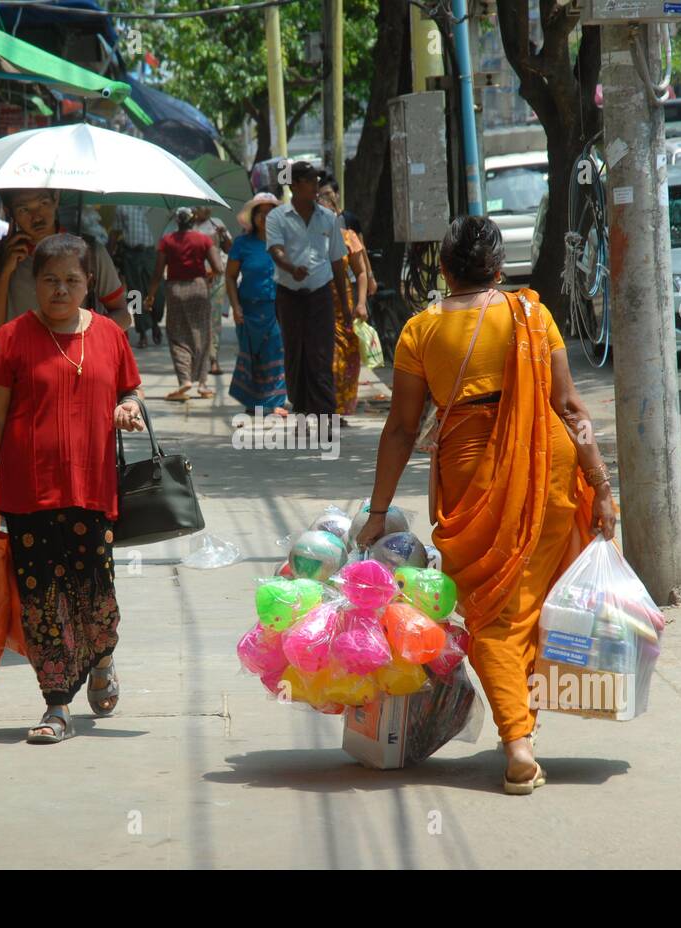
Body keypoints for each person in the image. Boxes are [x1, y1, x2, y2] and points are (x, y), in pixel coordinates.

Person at [355, 215, 617, 794]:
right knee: (530, 597)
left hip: (470, 473)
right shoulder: (530, 313)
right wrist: (600, 483)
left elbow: (400, 429)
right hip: (547, 467)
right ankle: (523, 723)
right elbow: (572, 409)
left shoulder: (421, 331)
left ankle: (518, 743)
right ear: (498, 269)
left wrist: (378, 511)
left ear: (444, 269)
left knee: (496, 613)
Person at [0, 233, 147, 744]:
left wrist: (129, 407)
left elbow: (128, 389)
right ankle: (57, 706)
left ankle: (103, 657)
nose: (61, 290)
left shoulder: (111, 335)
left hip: (93, 493)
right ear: (34, 282)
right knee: (42, 604)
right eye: (50, 280)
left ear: (89, 283)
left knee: (98, 598)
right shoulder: (11, 338)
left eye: (72, 280)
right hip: (27, 497)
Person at [0, 188, 131, 363]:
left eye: (43, 203)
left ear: (56, 199)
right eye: (24, 209)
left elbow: (123, 315)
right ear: (8, 211)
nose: (37, 217)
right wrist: (5, 272)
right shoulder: (0, 254)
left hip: (77, 367)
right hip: (20, 373)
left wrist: (82, 338)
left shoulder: (89, 252)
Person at [264, 161, 352, 421]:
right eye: (310, 181)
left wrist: (345, 306)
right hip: (289, 295)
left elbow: (337, 261)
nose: (316, 186)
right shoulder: (277, 217)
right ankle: (301, 408)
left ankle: (325, 416)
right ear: (294, 185)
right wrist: (291, 268)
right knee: (295, 355)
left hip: (320, 295)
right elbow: (275, 250)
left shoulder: (329, 218)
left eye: (317, 181)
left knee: (321, 355)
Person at [144, 207, 223, 401]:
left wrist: (150, 296)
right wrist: (208, 276)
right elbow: (218, 267)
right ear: (193, 220)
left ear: (177, 221)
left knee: (177, 336)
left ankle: (184, 380)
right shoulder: (203, 239)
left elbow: (157, 272)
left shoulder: (167, 241)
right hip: (199, 288)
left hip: (175, 291)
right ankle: (203, 385)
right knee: (203, 334)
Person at [226, 192, 289, 418]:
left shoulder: (284, 241)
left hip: (276, 308)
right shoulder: (242, 244)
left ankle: (275, 402)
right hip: (249, 309)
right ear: (253, 217)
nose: (265, 217)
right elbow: (230, 277)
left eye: (270, 212)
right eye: (260, 213)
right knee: (251, 354)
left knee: (275, 352)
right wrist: (235, 307)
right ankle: (254, 403)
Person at [318, 178, 368, 418]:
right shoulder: (312, 241)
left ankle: (339, 409)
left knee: (347, 358)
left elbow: (361, 272)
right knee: (327, 359)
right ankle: (327, 408)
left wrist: (360, 303)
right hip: (318, 306)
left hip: (345, 306)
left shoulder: (349, 237)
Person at [113, 203, 164, 349]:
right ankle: (142, 332)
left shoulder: (157, 207)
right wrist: (109, 255)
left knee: (158, 293)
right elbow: (115, 232)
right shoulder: (122, 207)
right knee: (135, 294)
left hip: (152, 254)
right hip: (131, 254)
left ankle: (155, 322)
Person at [192, 206, 233, 375]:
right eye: (202, 205)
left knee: (214, 319)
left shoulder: (217, 224)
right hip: (195, 280)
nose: (207, 209)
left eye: (209, 205)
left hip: (216, 278)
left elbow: (229, 249)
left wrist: (223, 235)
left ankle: (213, 359)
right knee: (197, 321)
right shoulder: (188, 227)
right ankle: (198, 359)